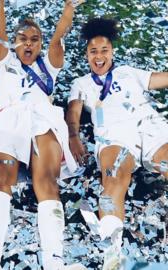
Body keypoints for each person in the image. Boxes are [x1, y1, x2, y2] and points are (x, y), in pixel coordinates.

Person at [0, 0, 87, 269]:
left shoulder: (50, 65)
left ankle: (54, 261)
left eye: (34, 39)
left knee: (47, 185)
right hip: (9, 118)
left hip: (43, 120)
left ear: (40, 44)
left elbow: (58, 38)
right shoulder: (4, 60)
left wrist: (68, 11)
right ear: (14, 42)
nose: (28, 44)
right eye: (22, 39)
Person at [66, 17, 168, 270]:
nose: (99, 56)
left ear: (112, 52)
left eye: (104, 50)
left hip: (150, 126)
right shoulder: (81, 83)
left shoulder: (128, 73)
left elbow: (161, 79)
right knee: (112, 178)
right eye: (93, 51)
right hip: (114, 135)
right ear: (86, 54)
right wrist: (73, 137)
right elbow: (73, 113)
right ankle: (112, 254)